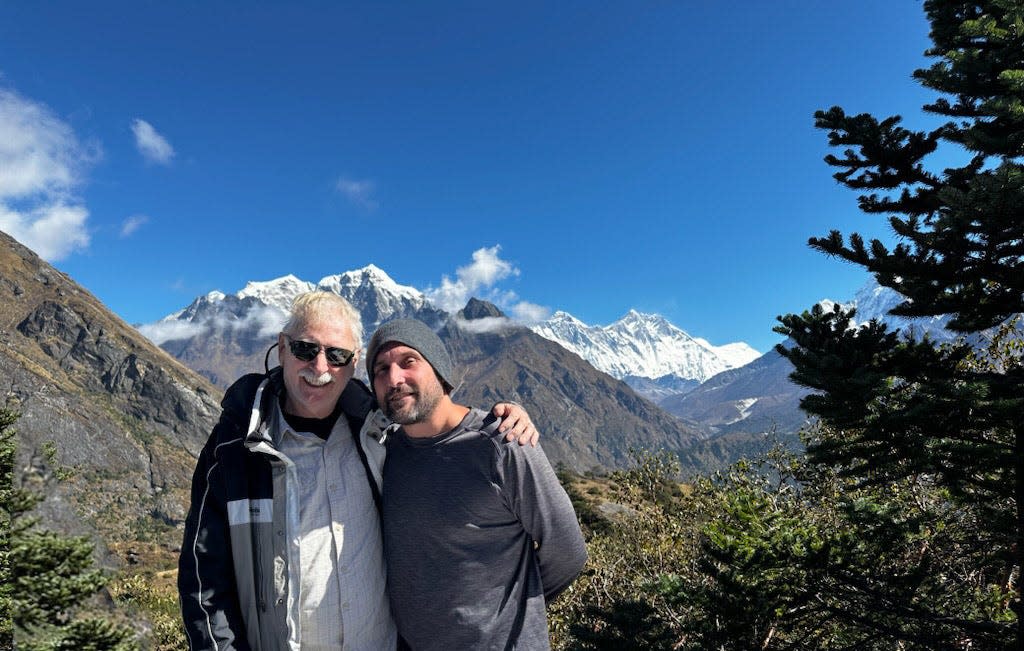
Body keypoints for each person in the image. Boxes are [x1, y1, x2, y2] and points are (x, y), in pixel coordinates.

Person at [178, 292, 538, 650]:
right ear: (283, 348)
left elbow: (440, 429)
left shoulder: (380, 432)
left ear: (353, 366)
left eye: (337, 355)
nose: (320, 368)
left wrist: (502, 418)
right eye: (306, 349)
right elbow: (203, 577)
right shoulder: (236, 448)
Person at [367, 318, 587, 651]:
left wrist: (513, 607)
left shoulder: (502, 442)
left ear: (440, 372)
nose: (394, 379)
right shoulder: (385, 451)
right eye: (380, 370)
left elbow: (568, 551)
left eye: (408, 362)